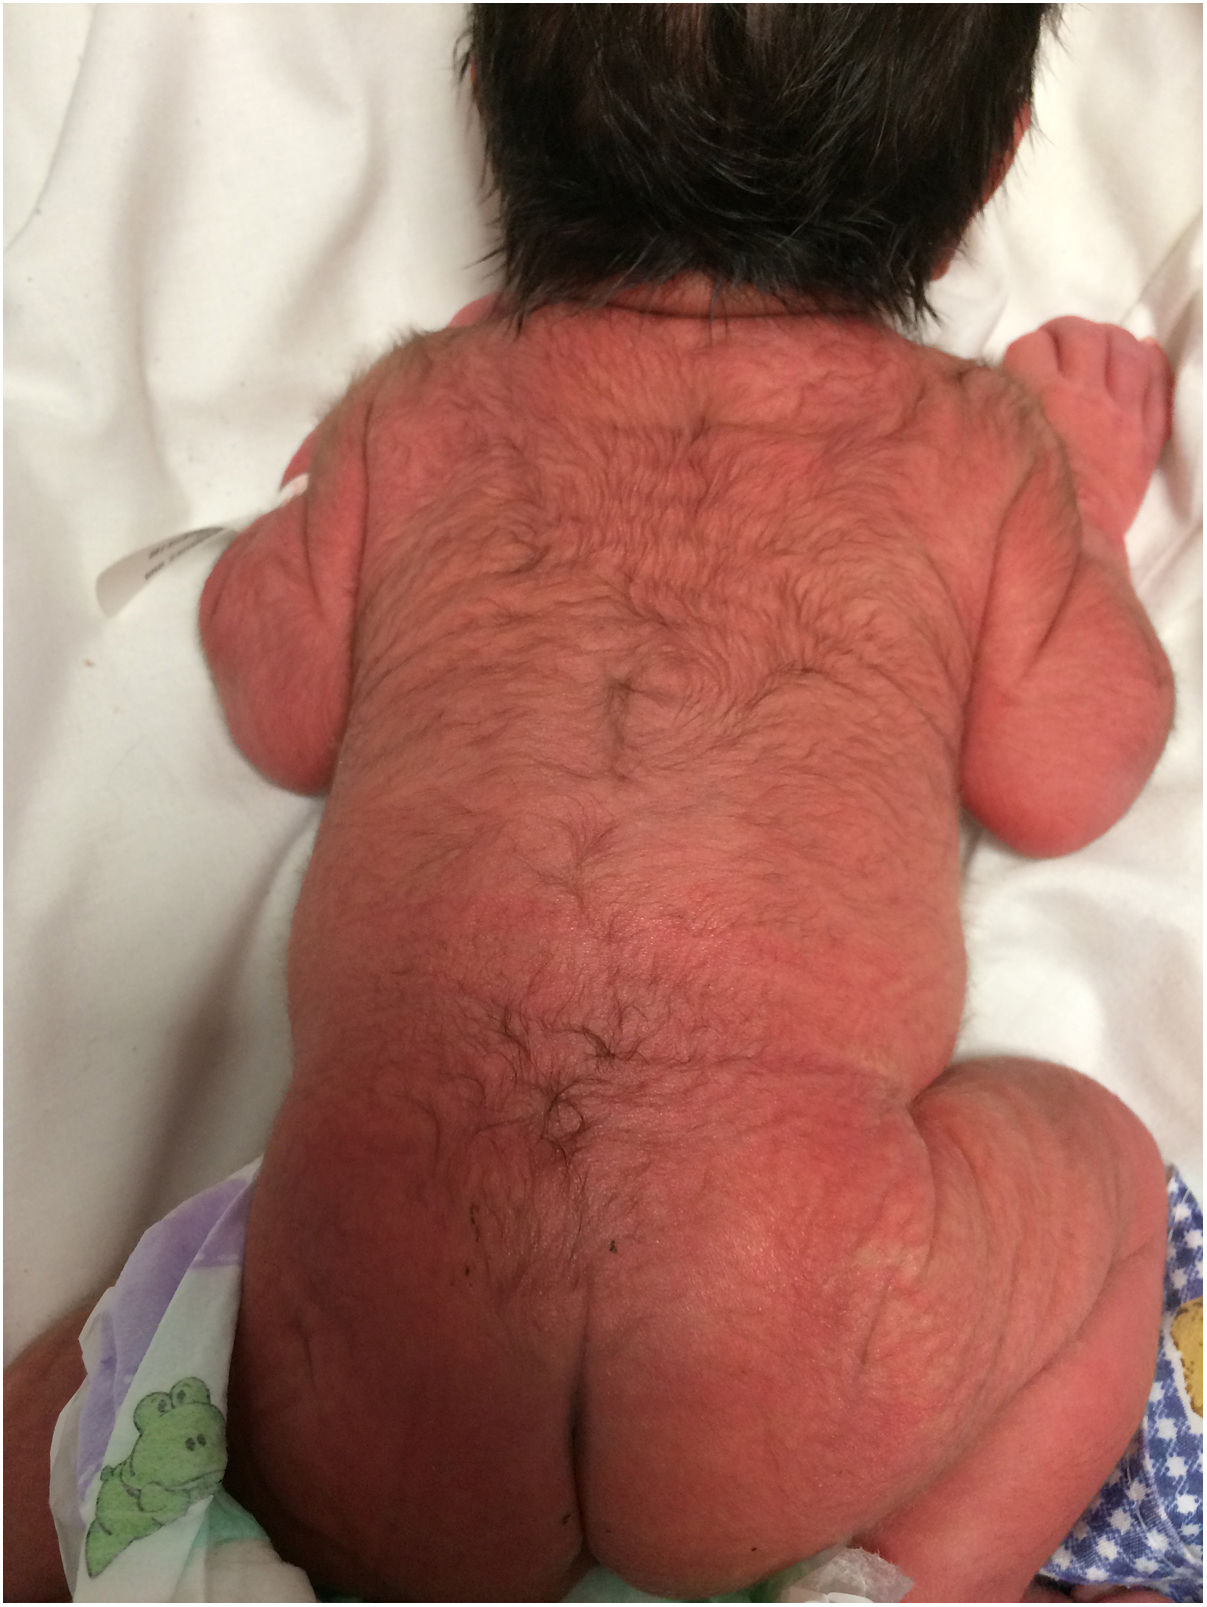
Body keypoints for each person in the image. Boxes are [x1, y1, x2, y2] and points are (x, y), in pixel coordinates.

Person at [8, 7, 1198, 1603]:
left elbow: (278, 705)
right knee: (1109, 1193)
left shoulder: (426, 402)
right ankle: (916, 1579)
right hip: (802, 1346)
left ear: (498, 106)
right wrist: (1081, 502)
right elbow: (1070, 777)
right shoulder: (979, 448)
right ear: (990, 164)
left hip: (367, 1357)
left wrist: (327, 498)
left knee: (82, 1387)